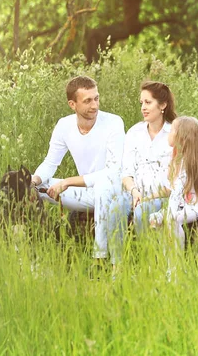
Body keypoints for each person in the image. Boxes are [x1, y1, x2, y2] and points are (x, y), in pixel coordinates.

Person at [31, 75, 125, 263]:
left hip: (112, 192)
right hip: (83, 193)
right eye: (88, 101)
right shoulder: (64, 125)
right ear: (72, 104)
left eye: (96, 98)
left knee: (102, 189)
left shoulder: (114, 122)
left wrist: (67, 182)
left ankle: (101, 260)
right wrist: (33, 181)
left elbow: (113, 171)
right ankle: (37, 247)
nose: (95, 105)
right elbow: (50, 163)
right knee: (29, 189)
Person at [109, 81, 177, 242]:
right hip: (135, 193)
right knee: (115, 207)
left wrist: (149, 198)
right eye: (142, 103)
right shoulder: (134, 132)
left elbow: (177, 179)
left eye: (148, 102)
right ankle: (115, 265)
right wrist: (134, 191)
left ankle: (147, 261)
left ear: (163, 105)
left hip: (162, 196)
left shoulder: (174, 132)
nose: (143, 108)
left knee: (142, 212)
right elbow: (126, 173)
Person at [149, 116, 198, 248]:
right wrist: (150, 200)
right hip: (190, 205)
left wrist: (168, 214)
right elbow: (173, 190)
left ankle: (175, 266)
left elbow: (176, 193)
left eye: (172, 130)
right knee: (155, 218)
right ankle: (165, 262)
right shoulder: (182, 156)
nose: (169, 133)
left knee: (172, 219)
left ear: (182, 137)